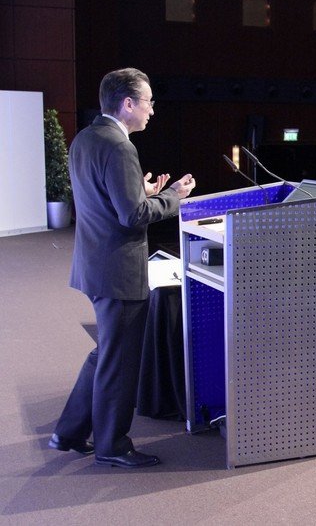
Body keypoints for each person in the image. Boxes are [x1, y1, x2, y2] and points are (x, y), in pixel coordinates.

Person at [50, 68, 196, 468]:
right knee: (119, 361)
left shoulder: (86, 138)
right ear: (128, 103)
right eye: (148, 102)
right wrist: (173, 197)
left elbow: (103, 199)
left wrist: (141, 192)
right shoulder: (120, 147)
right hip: (118, 270)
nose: (152, 110)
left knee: (106, 353)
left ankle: (68, 432)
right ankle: (112, 445)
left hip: (94, 264)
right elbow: (132, 216)